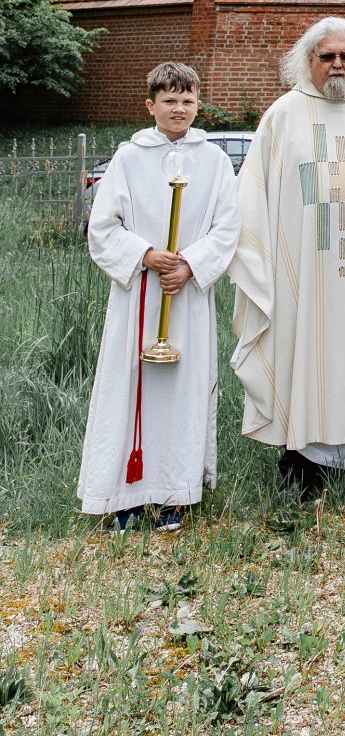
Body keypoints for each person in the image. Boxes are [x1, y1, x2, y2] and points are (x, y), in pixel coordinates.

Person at [230, 18, 345, 494]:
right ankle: (303, 463)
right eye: (326, 56)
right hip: (304, 278)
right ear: (307, 61)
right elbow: (252, 197)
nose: (337, 65)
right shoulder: (283, 115)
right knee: (305, 353)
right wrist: (261, 265)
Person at [78, 61, 240, 530]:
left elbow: (227, 227)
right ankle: (123, 497)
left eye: (187, 101)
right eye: (169, 100)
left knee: (183, 391)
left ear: (198, 104)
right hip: (140, 294)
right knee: (129, 387)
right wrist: (148, 255)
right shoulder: (129, 158)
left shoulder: (214, 160)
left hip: (185, 296)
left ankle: (174, 493)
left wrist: (189, 265)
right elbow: (103, 226)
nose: (179, 109)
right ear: (150, 105)